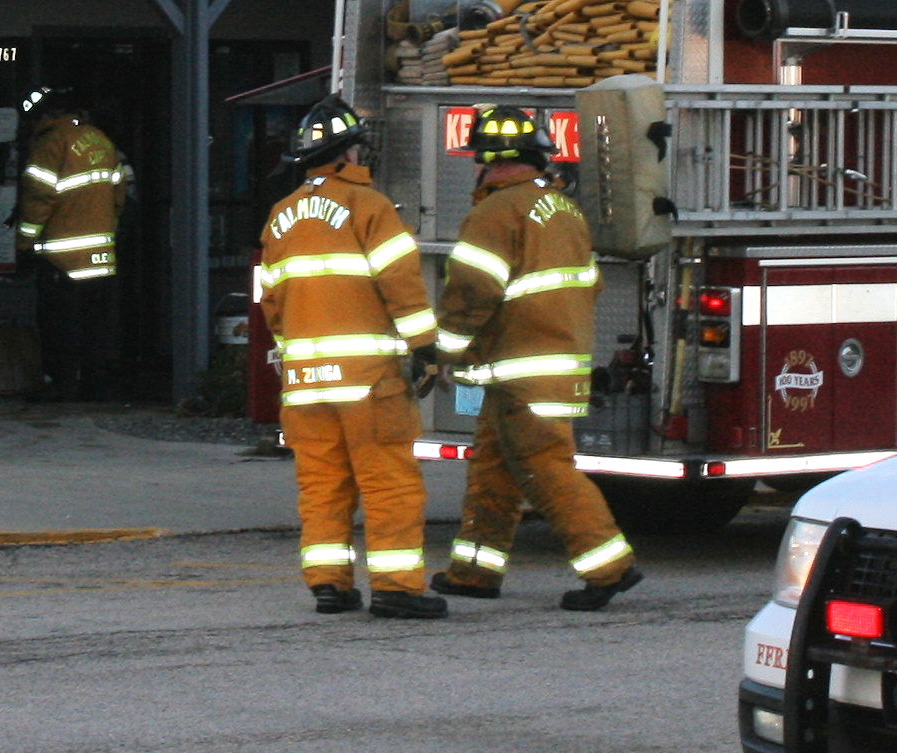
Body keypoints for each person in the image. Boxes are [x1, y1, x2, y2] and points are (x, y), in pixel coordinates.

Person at [434, 100, 641, 609]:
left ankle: (608, 567)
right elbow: (589, 284)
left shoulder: (493, 213)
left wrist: (441, 352)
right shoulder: (563, 210)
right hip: (549, 366)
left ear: (489, 159)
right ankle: (474, 573)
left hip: (519, 371)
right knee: (494, 468)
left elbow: (470, 293)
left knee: (547, 469)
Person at [253, 98, 443, 622]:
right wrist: (425, 349)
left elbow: (271, 301)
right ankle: (398, 588)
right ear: (350, 151)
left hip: (306, 384)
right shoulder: (370, 207)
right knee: (388, 482)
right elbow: (400, 285)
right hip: (367, 384)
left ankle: (329, 585)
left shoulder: (279, 216)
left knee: (322, 485)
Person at [12, 89, 130, 402]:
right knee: (97, 324)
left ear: (45, 117)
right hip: (101, 255)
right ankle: (96, 384)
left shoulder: (50, 144)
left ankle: (63, 384)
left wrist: (24, 243)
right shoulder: (100, 140)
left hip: (62, 258)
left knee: (61, 325)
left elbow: (39, 200)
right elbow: (119, 192)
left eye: (34, 119)